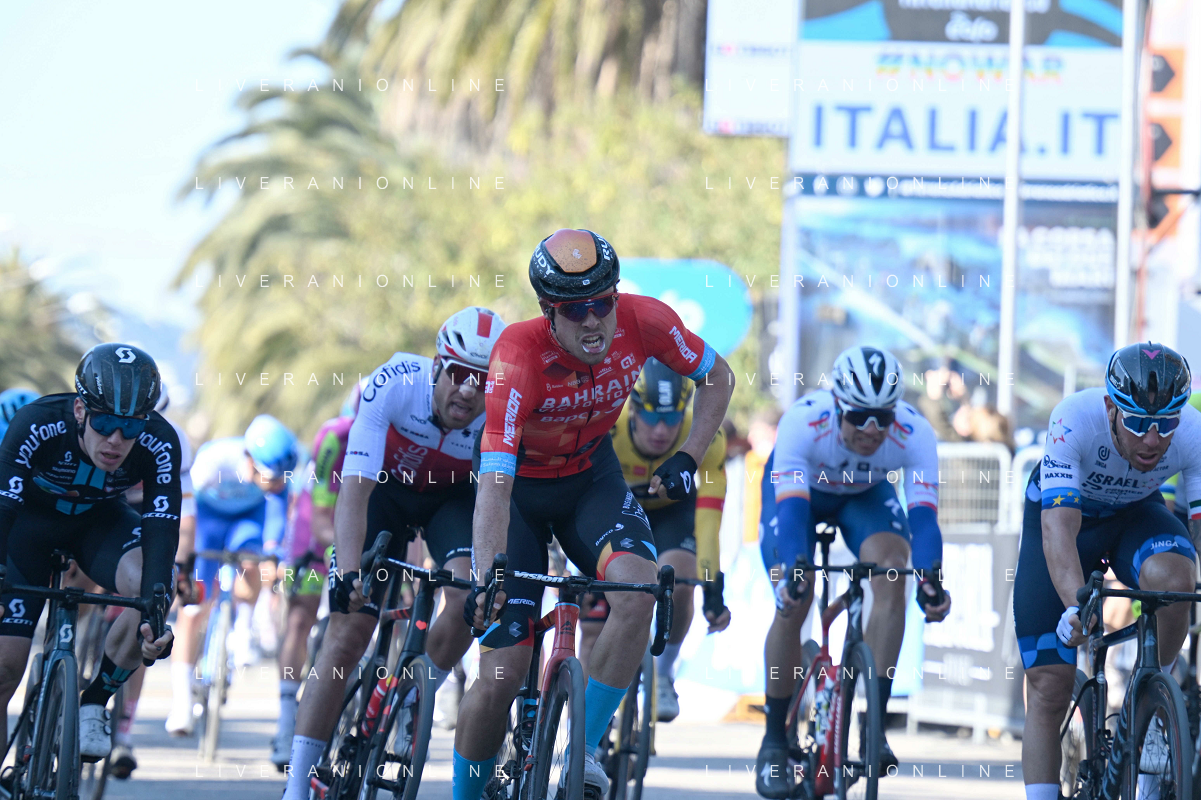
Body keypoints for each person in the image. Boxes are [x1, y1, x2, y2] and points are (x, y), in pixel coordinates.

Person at [457, 228, 734, 800]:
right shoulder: (517, 354)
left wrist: (689, 454)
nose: (592, 321)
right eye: (574, 309)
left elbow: (718, 376)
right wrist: (488, 578)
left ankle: (580, 751)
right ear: (547, 311)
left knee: (639, 591)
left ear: (616, 295)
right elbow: (495, 483)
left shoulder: (645, 320)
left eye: (602, 303)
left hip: (589, 480)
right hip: (519, 493)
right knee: (501, 673)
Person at [280, 306, 507, 800]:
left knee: (467, 597)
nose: (470, 391)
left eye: (483, 381)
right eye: (459, 374)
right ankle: (296, 785)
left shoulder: (503, 409)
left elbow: (499, 497)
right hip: (384, 492)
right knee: (348, 632)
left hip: (450, 501)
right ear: (437, 366)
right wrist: (345, 571)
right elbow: (355, 488)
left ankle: (412, 699)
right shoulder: (395, 383)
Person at [755, 345, 952, 799]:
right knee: (795, 595)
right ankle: (773, 740)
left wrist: (930, 578)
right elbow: (791, 514)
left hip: (864, 495)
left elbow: (924, 520)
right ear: (837, 405)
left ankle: (874, 726)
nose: (871, 430)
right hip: (801, 497)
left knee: (894, 572)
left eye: (882, 419)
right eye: (860, 417)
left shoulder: (915, 433)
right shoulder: (804, 422)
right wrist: (795, 570)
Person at [1016, 343, 1201, 800]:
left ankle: (1152, 707)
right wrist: (1075, 604)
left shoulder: (1194, 432)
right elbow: (1059, 529)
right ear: (1110, 407)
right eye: (1137, 423)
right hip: (1065, 523)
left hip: (1135, 516)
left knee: (1177, 582)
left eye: (1166, 424)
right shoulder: (1074, 419)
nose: (1152, 440)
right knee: (1049, 685)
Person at [0, 344, 178, 762]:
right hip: (27, 528)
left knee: (156, 587)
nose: (116, 440)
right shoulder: (37, 423)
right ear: (80, 410)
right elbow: (4, 506)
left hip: (100, 525)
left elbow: (161, 525)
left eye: (130, 427)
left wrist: (154, 616)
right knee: (4, 669)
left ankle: (94, 701)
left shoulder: (160, 441)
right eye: (105, 422)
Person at [580, 357, 731, 722]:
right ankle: (586, 721)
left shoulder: (706, 436)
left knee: (680, 580)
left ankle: (663, 674)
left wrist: (712, 583)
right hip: (613, 510)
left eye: (673, 417)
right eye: (651, 417)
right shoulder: (607, 427)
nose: (662, 430)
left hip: (671, 513)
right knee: (593, 627)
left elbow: (709, 520)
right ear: (633, 409)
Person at [165, 414, 298, 734]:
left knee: (254, 561)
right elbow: (186, 508)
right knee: (193, 608)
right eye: (270, 478)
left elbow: (276, 520)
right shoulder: (214, 460)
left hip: (247, 519)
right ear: (250, 461)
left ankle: (242, 629)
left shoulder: (277, 478)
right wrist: (184, 556)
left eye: (281, 480)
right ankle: (181, 702)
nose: (276, 485)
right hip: (208, 520)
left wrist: (273, 553)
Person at [91, 383, 196, 777]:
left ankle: (123, 729)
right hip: (99, 504)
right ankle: (69, 642)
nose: (128, 430)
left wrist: (180, 567)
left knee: (145, 610)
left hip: (145, 507)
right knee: (78, 580)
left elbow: (184, 516)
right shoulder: (103, 436)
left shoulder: (172, 441)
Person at [269, 383, 359, 769]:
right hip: (315, 525)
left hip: (361, 524)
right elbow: (321, 511)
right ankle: (286, 717)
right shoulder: (333, 436)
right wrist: (339, 553)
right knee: (300, 616)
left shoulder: (405, 442)